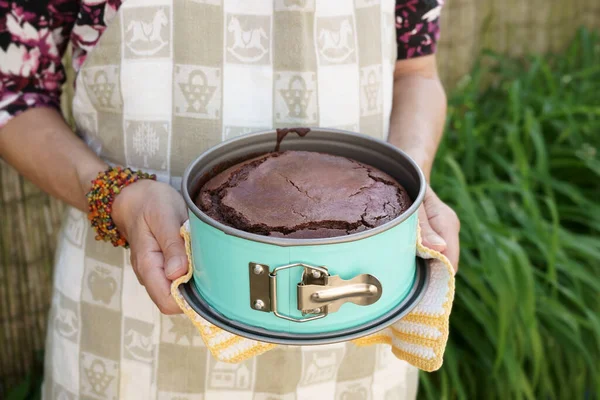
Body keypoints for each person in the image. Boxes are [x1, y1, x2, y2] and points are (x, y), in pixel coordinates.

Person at [0, 0, 459, 398]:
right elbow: (13, 91)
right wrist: (117, 196)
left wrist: (411, 181)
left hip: (357, 315)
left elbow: (415, 70)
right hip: (134, 328)